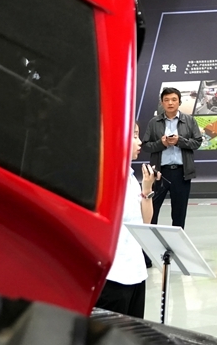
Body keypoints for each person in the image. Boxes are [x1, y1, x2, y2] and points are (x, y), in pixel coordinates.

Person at [95, 123, 158, 317]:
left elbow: (145, 221)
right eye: (134, 136)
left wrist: (146, 189)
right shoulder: (104, 177)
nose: (139, 142)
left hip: (135, 271)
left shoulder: (130, 178)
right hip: (113, 275)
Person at [142, 87, 202, 228]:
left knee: (179, 214)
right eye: (166, 100)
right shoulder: (154, 122)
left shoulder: (189, 120)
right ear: (162, 103)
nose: (170, 103)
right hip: (159, 174)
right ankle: (151, 241)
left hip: (181, 173)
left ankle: (176, 243)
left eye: (174, 100)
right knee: (152, 211)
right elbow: (145, 146)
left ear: (179, 102)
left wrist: (179, 141)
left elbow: (197, 142)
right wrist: (161, 144)